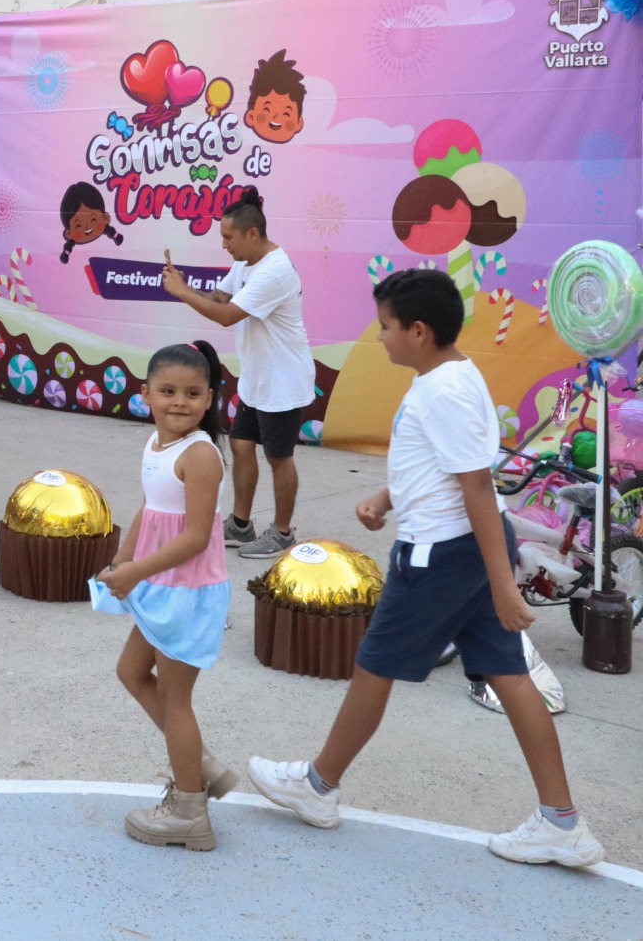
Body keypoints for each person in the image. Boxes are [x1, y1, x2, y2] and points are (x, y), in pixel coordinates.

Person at [249, 269, 605, 869]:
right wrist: (386, 498)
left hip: (441, 556)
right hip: (460, 548)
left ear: (417, 330)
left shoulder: (441, 391)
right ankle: (561, 822)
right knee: (508, 675)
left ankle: (316, 787)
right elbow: (446, 467)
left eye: (386, 326)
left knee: (373, 666)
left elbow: (475, 488)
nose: (381, 337)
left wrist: (502, 585)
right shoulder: (454, 375)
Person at [89, 340, 236, 851]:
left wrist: (135, 573)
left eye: (193, 393)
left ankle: (190, 812)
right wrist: (121, 562)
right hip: (161, 583)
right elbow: (152, 512)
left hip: (187, 591)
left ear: (210, 397)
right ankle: (199, 766)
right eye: (168, 391)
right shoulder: (156, 446)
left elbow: (195, 537)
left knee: (176, 700)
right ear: (145, 392)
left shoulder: (201, 456)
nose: (180, 402)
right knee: (131, 671)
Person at [162, 188, 314, 559]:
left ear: (252, 234)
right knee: (242, 445)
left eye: (228, 238)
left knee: (279, 457)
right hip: (257, 379)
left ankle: (282, 533)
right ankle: (241, 526)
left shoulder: (275, 270)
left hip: (283, 382)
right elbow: (222, 299)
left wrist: (182, 293)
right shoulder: (246, 263)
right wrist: (190, 287)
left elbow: (228, 316)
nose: (225, 245)